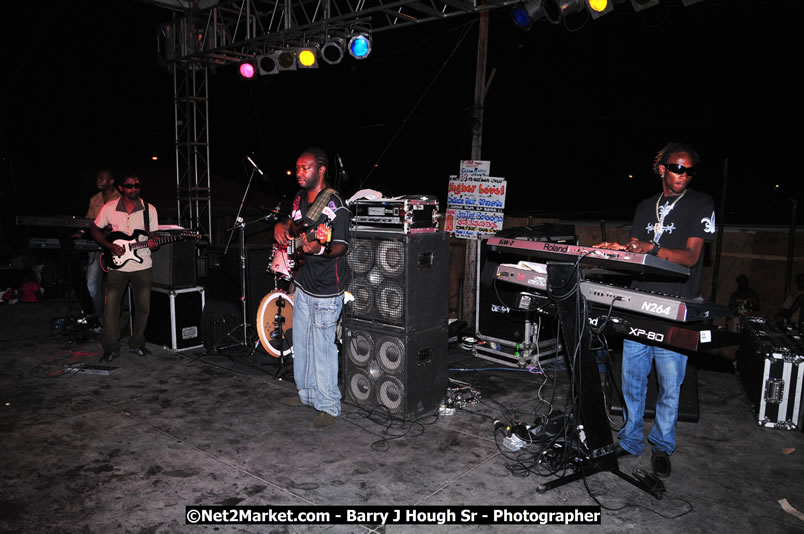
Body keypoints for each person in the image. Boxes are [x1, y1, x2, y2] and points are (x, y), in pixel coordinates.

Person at [596, 142, 716, 479]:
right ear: (661, 168)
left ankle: (662, 445)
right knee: (632, 378)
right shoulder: (645, 207)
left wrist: (654, 248)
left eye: (690, 170)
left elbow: (691, 257)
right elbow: (639, 253)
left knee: (669, 383)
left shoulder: (701, 203)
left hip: (676, 305)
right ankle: (632, 438)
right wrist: (623, 249)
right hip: (640, 302)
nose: (684, 175)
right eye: (678, 168)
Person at [273, 148, 350, 430]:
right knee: (302, 344)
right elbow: (290, 223)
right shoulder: (298, 198)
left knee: (323, 349)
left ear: (321, 170)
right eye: (297, 168)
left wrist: (321, 247)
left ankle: (329, 404)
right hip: (304, 283)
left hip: (327, 289)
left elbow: (341, 245)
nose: (299, 173)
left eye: (305, 168)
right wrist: (281, 227)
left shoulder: (335, 205)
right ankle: (306, 395)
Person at [90, 173, 159, 361]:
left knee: (143, 308)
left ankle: (137, 343)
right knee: (111, 307)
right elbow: (95, 229)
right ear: (121, 188)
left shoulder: (149, 209)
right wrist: (110, 246)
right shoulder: (109, 208)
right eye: (130, 186)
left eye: (137, 186)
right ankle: (111, 348)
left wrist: (154, 242)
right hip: (117, 266)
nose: (134, 189)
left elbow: (153, 235)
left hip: (142, 263)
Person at [82, 169, 120, 325]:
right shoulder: (94, 200)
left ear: (111, 181)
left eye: (102, 178)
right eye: (97, 178)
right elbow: (87, 222)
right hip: (97, 245)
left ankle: (115, 319)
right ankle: (98, 319)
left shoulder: (121, 199)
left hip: (116, 247)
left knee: (117, 285)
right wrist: (80, 231)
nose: (98, 181)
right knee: (91, 284)